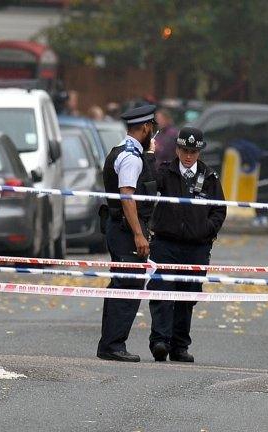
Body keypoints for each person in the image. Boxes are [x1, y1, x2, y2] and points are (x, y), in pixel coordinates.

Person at [148, 127, 226, 362]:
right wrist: (149, 157)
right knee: (162, 292)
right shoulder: (165, 172)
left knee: (187, 295)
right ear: (177, 149)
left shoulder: (210, 177)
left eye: (193, 151)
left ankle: (180, 346)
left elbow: (219, 210)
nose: (188, 156)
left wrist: (205, 230)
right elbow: (147, 188)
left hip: (196, 247)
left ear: (199, 152)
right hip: (166, 244)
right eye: (184, 150)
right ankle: (160, 341)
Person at [97, 104, 158, 362]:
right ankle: (113, 345)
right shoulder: (131, 158)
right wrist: (138, 234)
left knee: (121, 283)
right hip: (125, 229)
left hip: (117, 226)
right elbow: (127, 197)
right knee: (129, 285)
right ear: (145, 128)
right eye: (152, 129)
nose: (153, 133)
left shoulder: (122, 151)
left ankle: (110, 343)